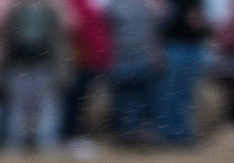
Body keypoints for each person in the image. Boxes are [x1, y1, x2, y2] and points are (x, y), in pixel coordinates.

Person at [0, 0, 68, 150]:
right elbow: (8, 37)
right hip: (19, 63)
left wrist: (60, 68)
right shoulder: (16, 9)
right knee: (16, 103)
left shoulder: (50, 10)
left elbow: (57, 40)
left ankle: (46, 142)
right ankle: (14, 142)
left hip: (43, 64)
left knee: (47, 104)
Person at [153, 0, 212, 144]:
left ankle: (176, 133)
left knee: (177, 95)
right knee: (179, 95)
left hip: (182, 47)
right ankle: (177, 134)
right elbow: (197, 23)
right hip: (182, 47)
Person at [108, 0, 165, 144]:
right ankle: (138, 134)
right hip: (141, 61)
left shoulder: (114, 7)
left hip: (122, 62)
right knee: (142, 101)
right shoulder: (146, 6)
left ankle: (128, 134)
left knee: (126, 102)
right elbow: (157, 29)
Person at [60, 0, 112, 154]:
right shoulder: (75, 3)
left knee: (83, 101)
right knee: (74, 100)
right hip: (79, 60)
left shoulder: (91, 4)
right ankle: (68, 136)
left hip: (93, 60)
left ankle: (75, 135)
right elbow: (74, 27)